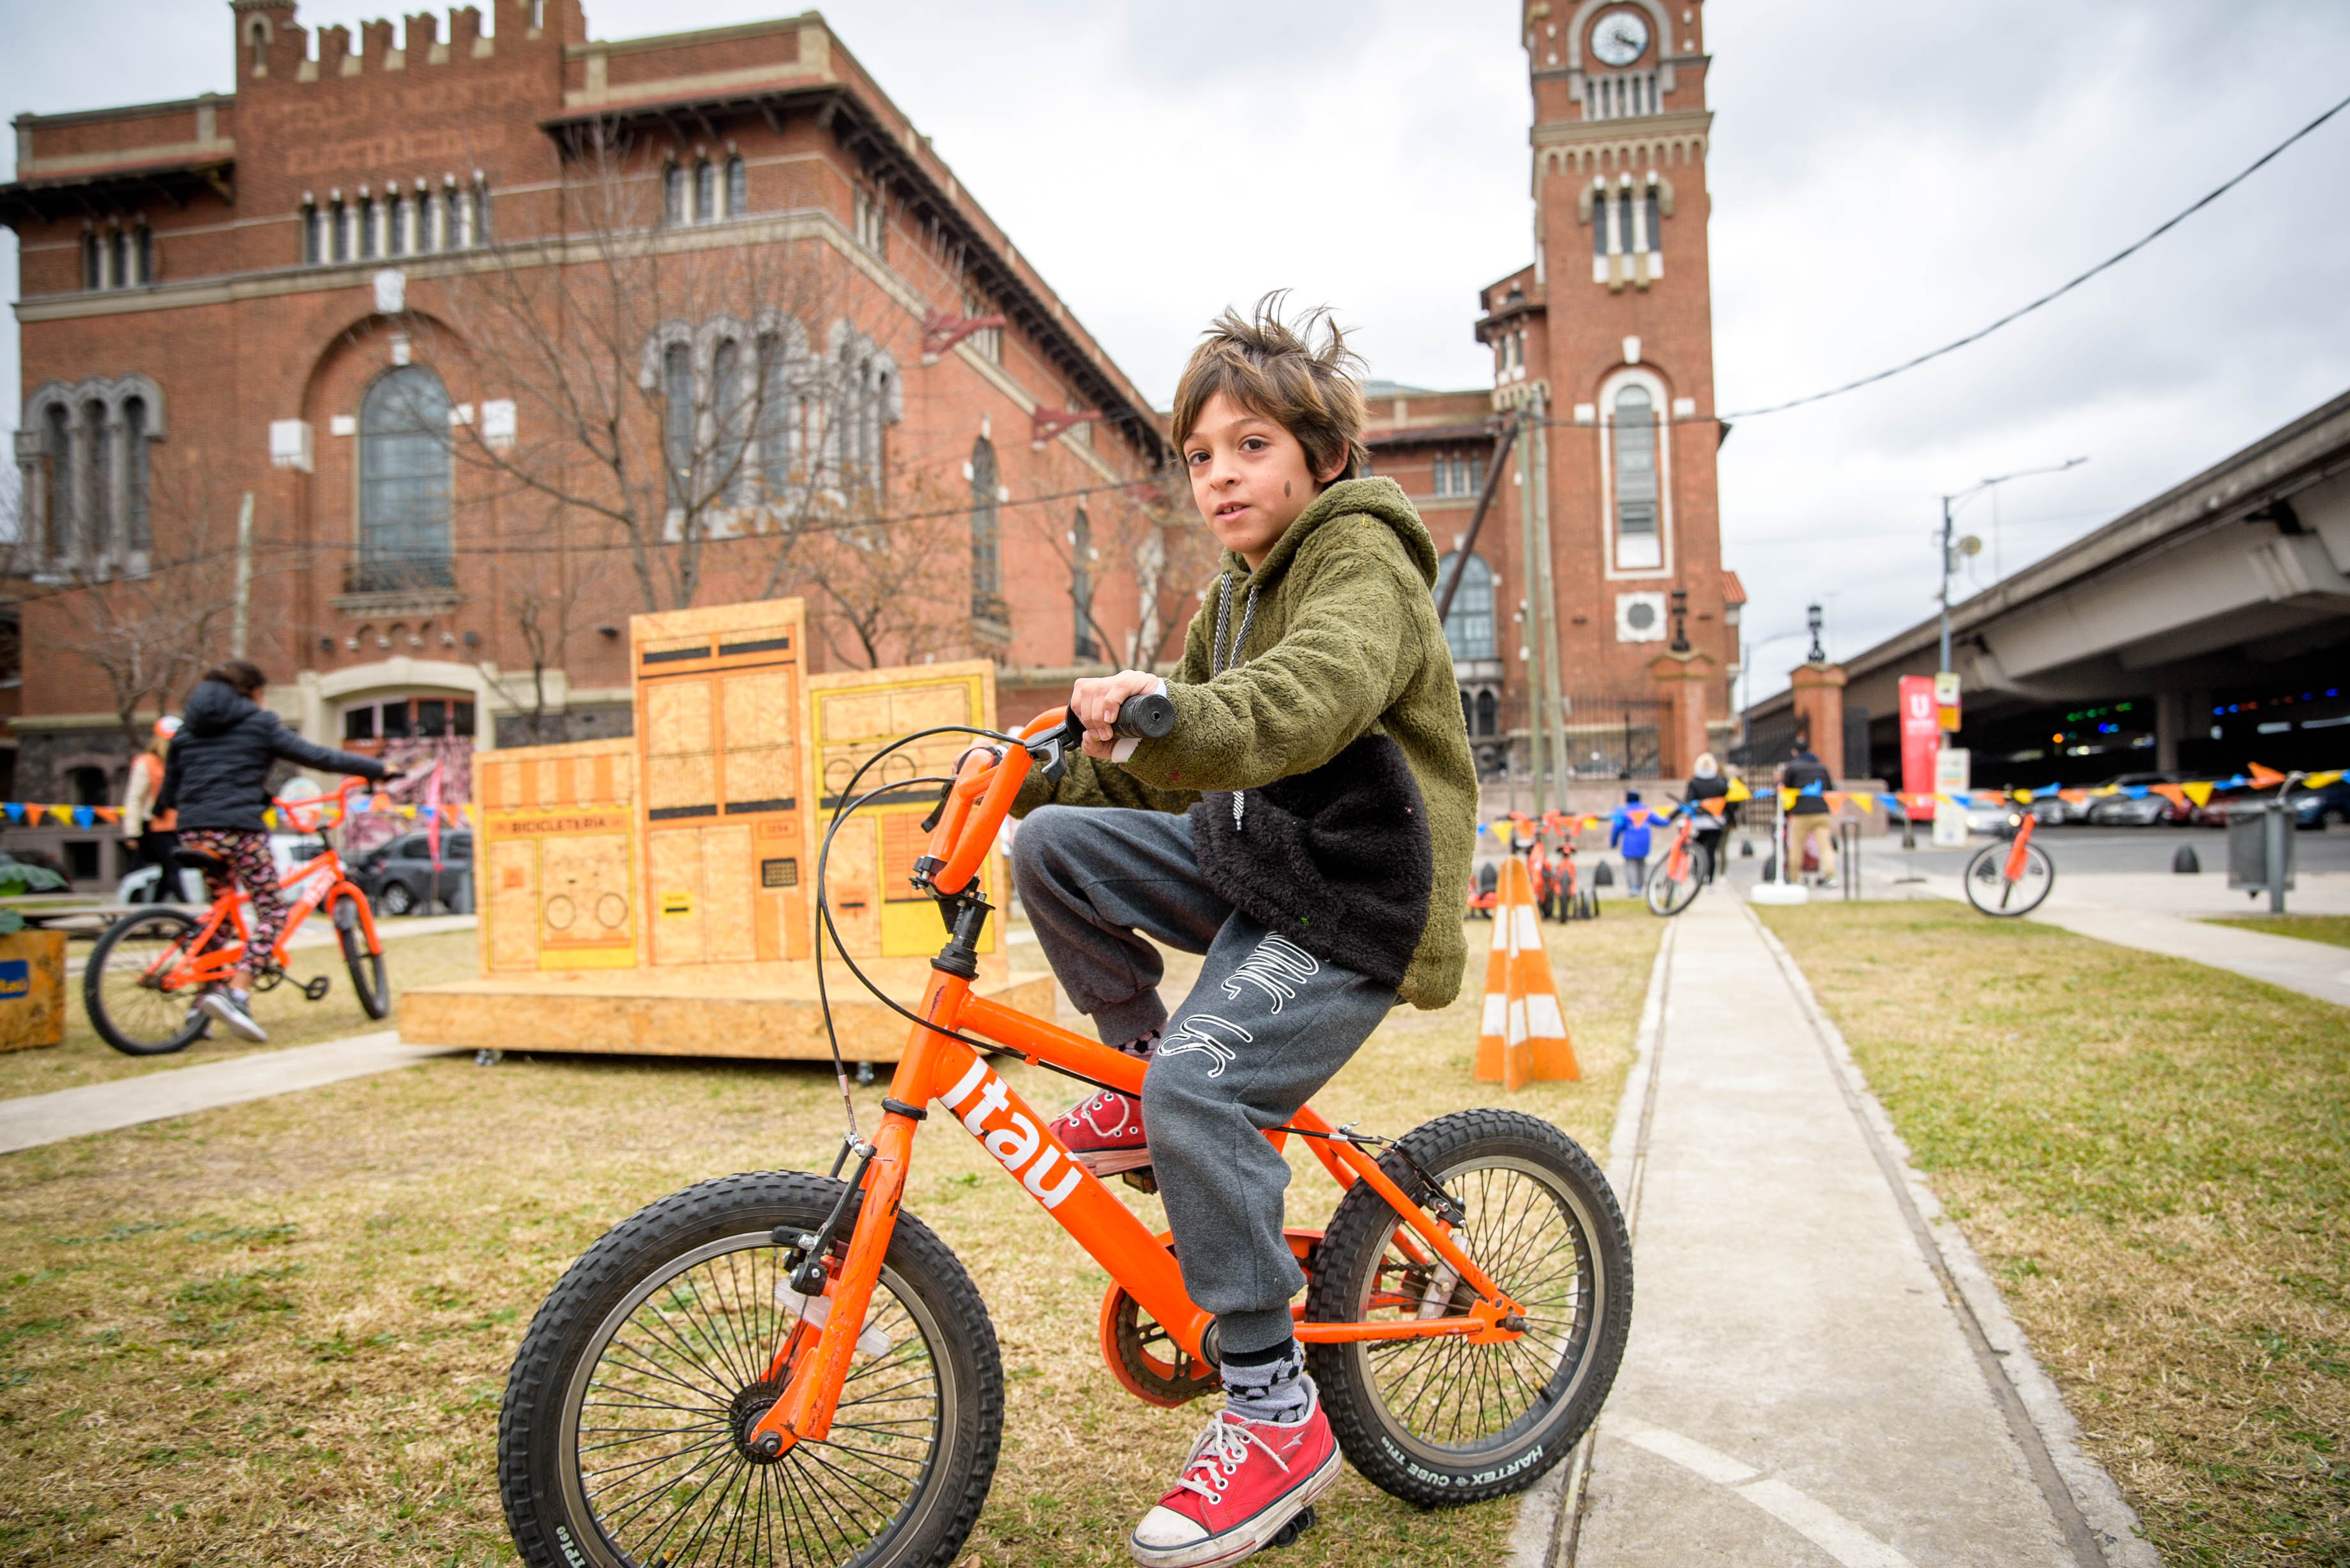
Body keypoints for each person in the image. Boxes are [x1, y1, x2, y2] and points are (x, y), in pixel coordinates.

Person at [1008, 296, 1475, 1567]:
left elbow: (1298, 704)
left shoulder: (1358, 561)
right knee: (1049, 845)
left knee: (1200, 1093)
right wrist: (1023, 781)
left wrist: (1167, 709)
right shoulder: (1230, 593)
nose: (1219, 473)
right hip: (1263, 864)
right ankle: (1136, 1072)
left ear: (1322, 459)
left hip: (1356, 891)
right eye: (1202, 453)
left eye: (1251, 445)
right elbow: (1172, 760)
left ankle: (1275, 1416)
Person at [156, 660, 397, 1043]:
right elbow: (319, 757)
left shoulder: (186, 732)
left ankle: (199, 1005)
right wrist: (375, 768)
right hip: (238, 830)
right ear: (252, 692)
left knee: (221, 914)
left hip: (194, 832)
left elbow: (170, 793)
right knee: (272, 910)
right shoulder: (258, 723)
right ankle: (238, 993)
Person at [121, 715, 182, 877]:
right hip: (154, 824)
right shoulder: (146, 762)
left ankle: (160, 900)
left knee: (170, 871)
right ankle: (188, 902)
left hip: (178, 824)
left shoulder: (180, 761)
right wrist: (132, 833)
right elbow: (134, 799)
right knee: (173, 867)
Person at [1781, 741, 1835, 884]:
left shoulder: (1792, 767)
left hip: (1801, 812)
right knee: (1825, 846)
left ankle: (1795, 878)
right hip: (1821, 811)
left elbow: (1787, 792)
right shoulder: (1821, 766)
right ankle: (1830, 876)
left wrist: (1786, 813)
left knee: (1797, 846)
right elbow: (1830, 789)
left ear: (1795, 752)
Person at [1685, 751, 1730, 884]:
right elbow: (1727, 804)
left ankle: (1699, 877)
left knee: (1698, 850)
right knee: (1711, 852)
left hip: (1699, 822)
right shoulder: (1721, 784)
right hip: (1716, 822)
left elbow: (1688, 801)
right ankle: (1710, 880)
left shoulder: (1694, 783)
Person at [1609, 790, 1653, 894]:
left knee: (1631, 865)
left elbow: (1617, 827)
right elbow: (1663, 822)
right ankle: (1640, 886)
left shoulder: (1624, 812)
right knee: (1641, 864)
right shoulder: (1646, 811)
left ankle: (1634, 888)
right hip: (1644, 842)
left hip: (1629, 843)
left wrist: (1614, 842)